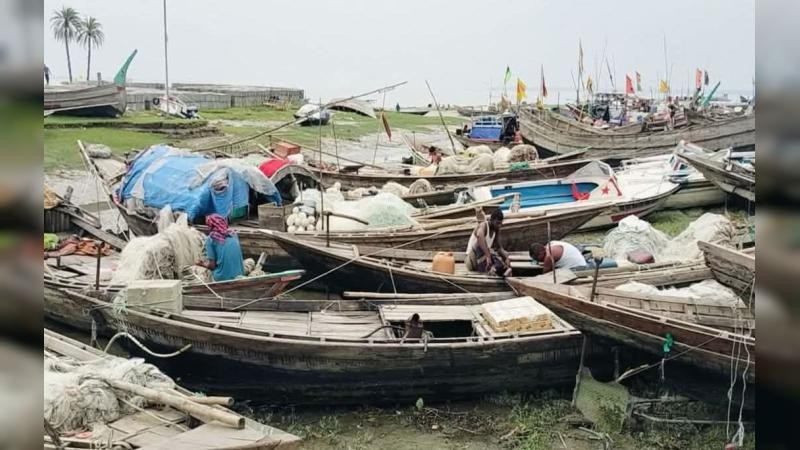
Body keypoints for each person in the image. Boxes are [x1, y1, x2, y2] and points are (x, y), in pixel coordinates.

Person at [196, 214, 245, 282]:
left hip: (222, 277)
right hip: (240, 274)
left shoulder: (211, 239)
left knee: (197, 270)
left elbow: (212, 266)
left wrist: (202, 265)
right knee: (249, 261)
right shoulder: (233, 234)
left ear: (210, 226)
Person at [465, 209, 511, 276]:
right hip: (471, 260)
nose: (499, 226)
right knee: (480, 245)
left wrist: (506, 257)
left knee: (498, 256)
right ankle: (492, 269)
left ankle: (496, 270)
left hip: (483, 260)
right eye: (497, 223)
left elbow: (499, 248)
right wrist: (488, 255)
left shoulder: (496, 230)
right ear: (491, 220)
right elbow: (479, 236)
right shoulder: (484, 225)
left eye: (501, 223)